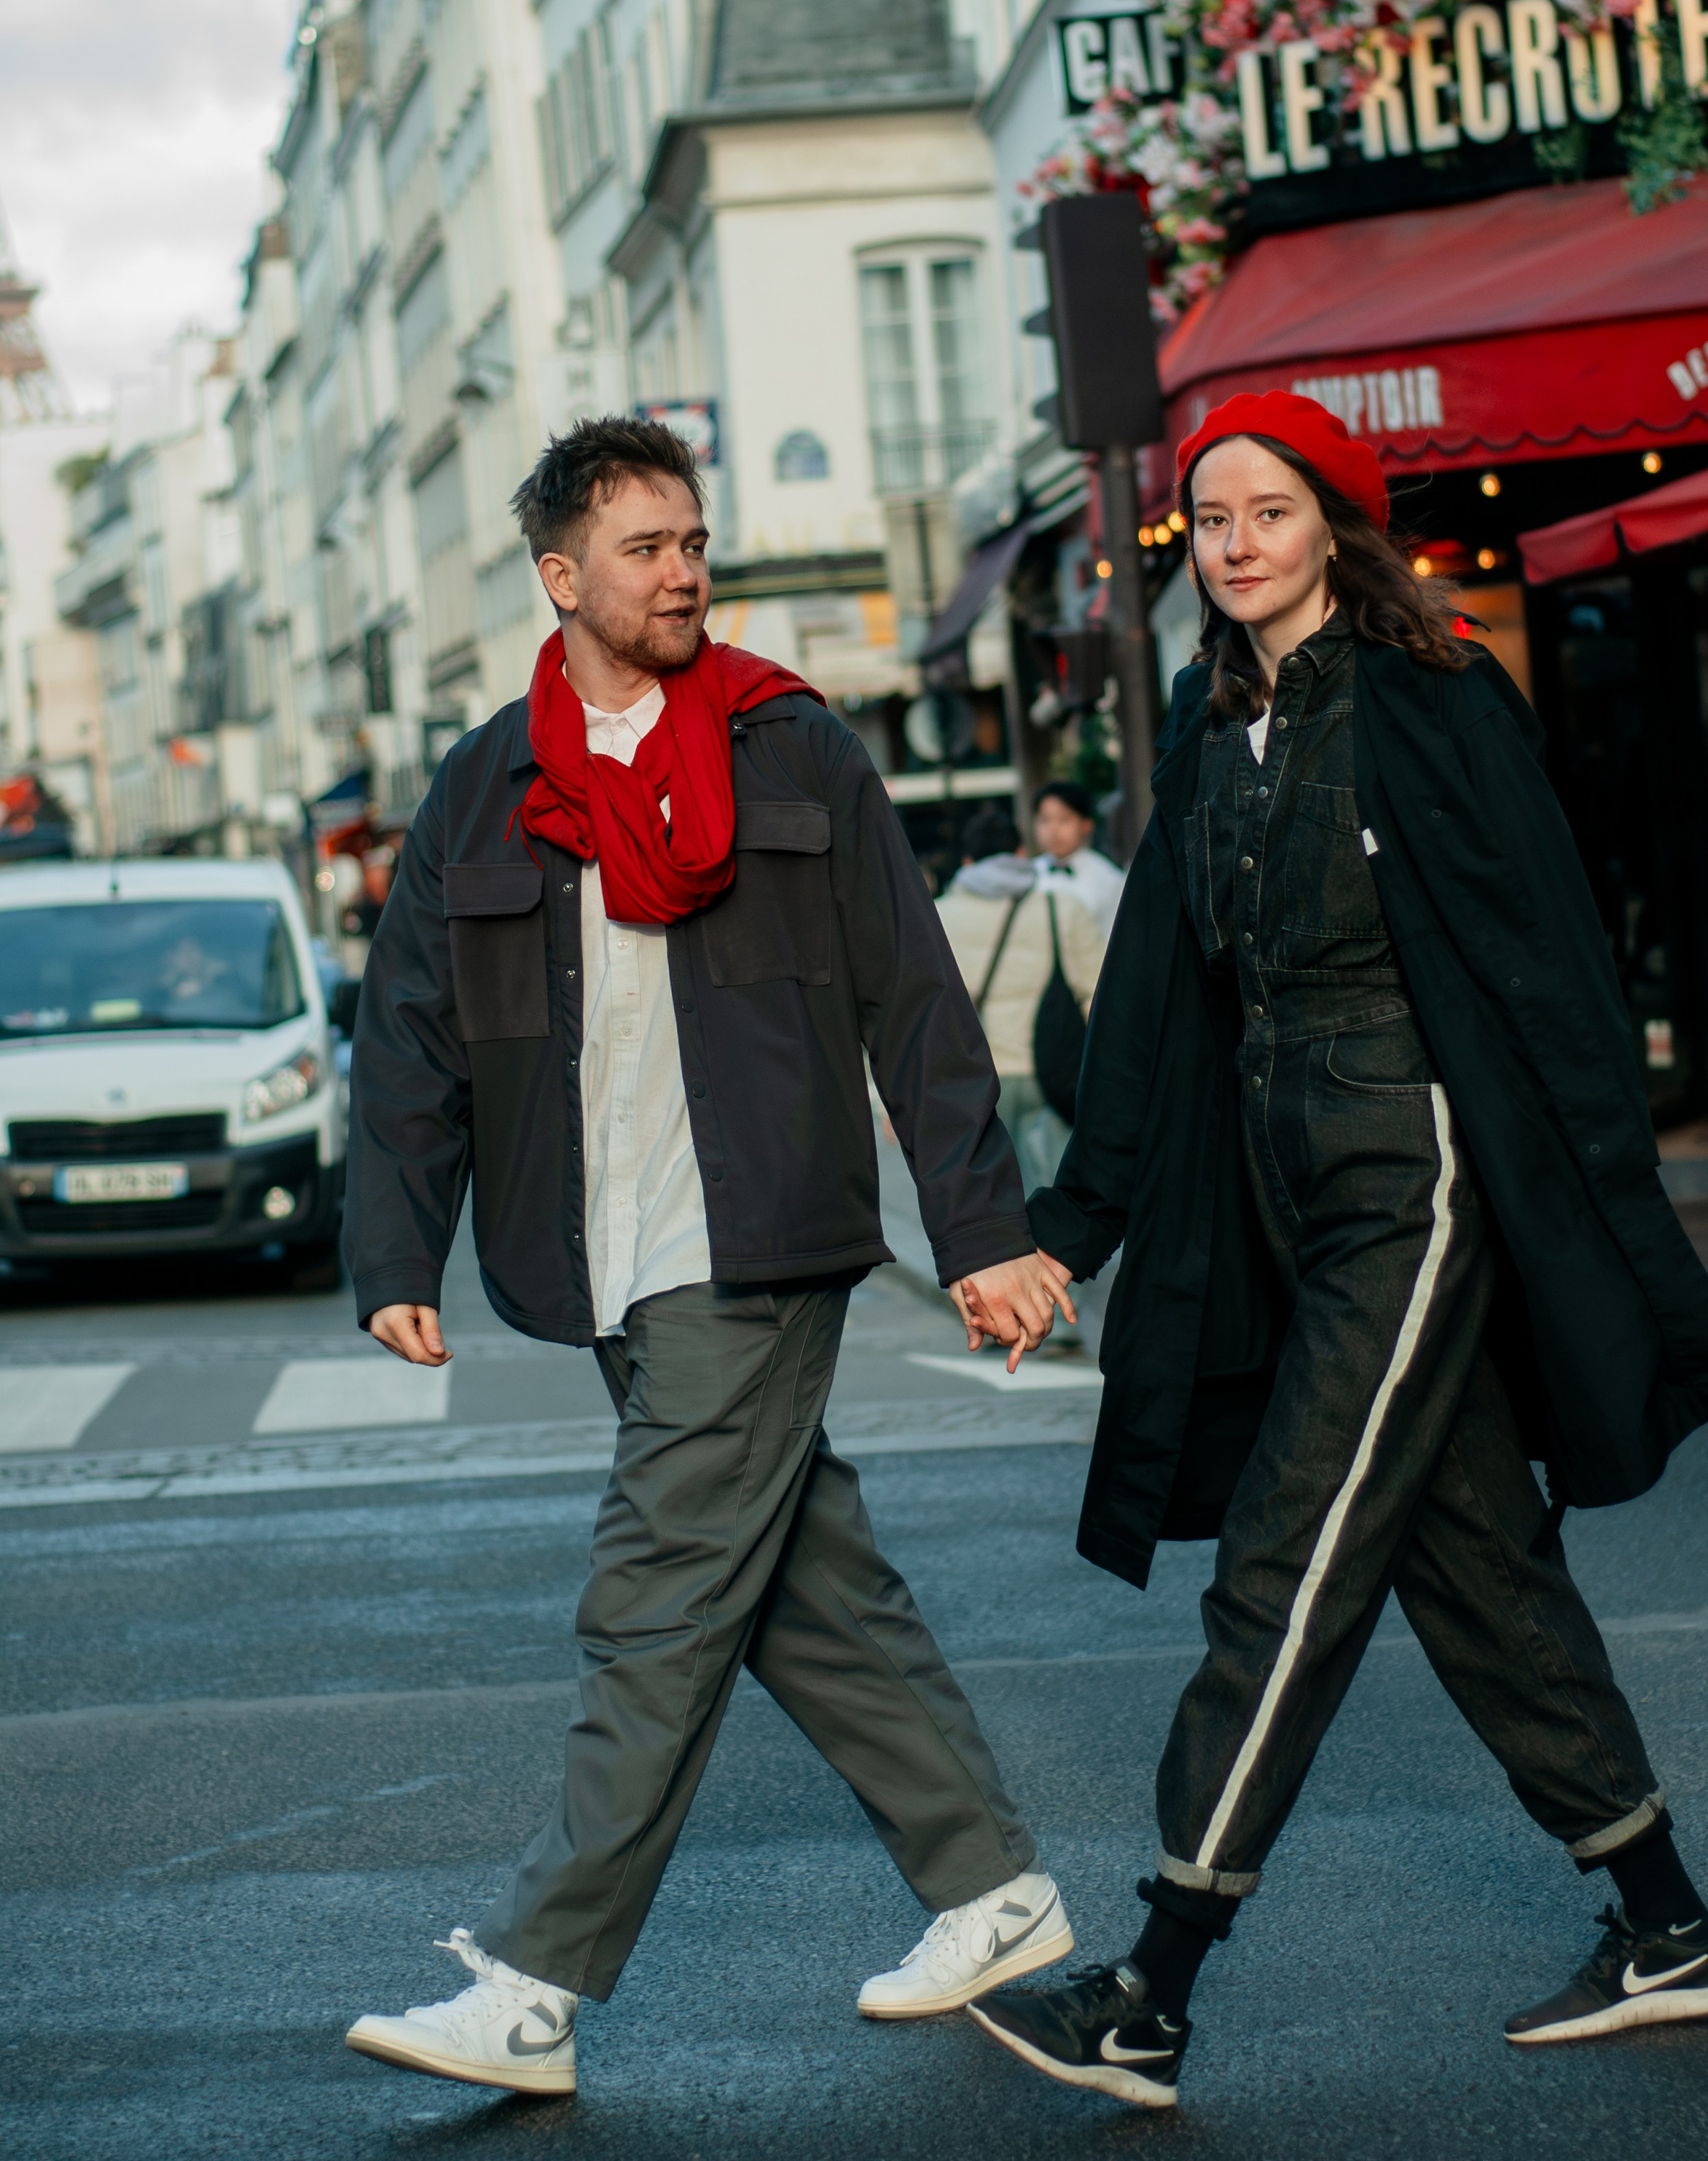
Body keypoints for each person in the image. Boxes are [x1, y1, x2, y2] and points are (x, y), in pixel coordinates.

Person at [966, 388, 1708, 2113]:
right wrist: (1065, 1231)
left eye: (1265, 508)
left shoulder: (1428, 692)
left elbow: (1546, 946)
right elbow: (1154, 1016)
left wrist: (1598, 1188)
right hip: (1282, 1189)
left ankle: (1153, 1981)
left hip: (1415, 1177)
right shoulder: (1202, 720)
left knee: (1288, 1549)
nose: (1236, 542)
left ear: (1331, 517)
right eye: (1210, 521)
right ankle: (1664, 1920)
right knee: (1470, 1558)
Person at [342, 416, 1076, 2101]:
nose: (681, 569)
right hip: (593, 1249)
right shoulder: (486, 783)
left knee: (657, 1591)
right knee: (799, 1583)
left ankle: (533, 1981)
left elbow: (913, 995)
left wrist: (981, 1228)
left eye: (690, 539)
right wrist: (399, 1241)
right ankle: (992, 1883)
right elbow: (413, 1035)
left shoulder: (789, 748)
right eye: (643, 546)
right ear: (559, 574)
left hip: (748, 1240)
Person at [937, 805, 1104, 1196]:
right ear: (1020, 854)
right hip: (1055, 1072)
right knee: (1060, 1192)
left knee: (998, 1199)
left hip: (979, 1078)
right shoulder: (1060, 907)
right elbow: (1098, 993)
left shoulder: (936, 917)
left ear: (966, 860)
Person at [1031, 778, 1125, 939]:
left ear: (1086, 825)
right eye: (1045, 820)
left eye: (1064, 820)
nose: (1053, 830)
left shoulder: (1108, 878)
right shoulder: (1030, 873)